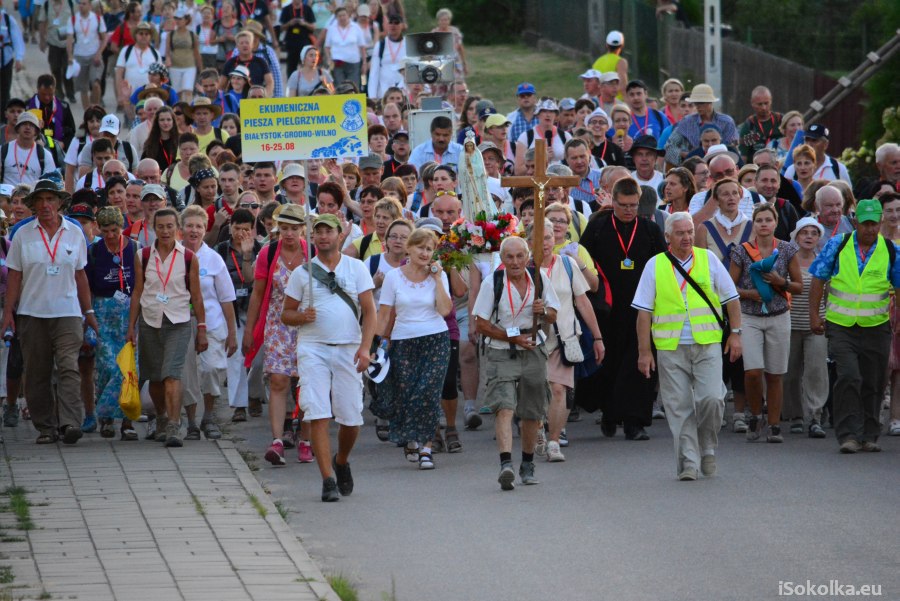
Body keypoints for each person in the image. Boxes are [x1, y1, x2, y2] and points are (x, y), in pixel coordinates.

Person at [633, 211, 742, 480]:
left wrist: (736, 333)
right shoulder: (655, 265)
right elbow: (644, 313)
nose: (687, 237)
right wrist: (644, 352)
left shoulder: (709, 260)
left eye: (690, 232)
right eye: (680, 233)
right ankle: (689, 463)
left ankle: (707, 447)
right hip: (671, 347)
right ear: (667, 237)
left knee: (712, 400)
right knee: (679, 406)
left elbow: (732, 298)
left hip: (707, 343)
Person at [282, 213, 376, 502]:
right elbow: (286, 314)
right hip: (313, 348)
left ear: (339, 235)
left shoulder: (356, 267)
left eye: (329, 231)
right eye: (318, 232)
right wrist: (301, 316)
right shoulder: (302, 273)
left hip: (348, 346)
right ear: (312, 237)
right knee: (317, 412)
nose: (323, 236)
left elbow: (370, 311)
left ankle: (342, 460)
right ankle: (327, 480)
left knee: (351, 418)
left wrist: (365, 347)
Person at [2, 178, 97, 444]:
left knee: (68, 366)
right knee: (37, 371)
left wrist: (88, 311)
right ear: (33, 205)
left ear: (59, 203)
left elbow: (80, 275)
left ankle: (70, 423)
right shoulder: (22, 234)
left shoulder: (74, 232)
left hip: (67, 312)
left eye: (50, 199)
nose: (46, 205)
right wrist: (9, 313)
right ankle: (46, 426)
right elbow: (14, 277)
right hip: (32, 312)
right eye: (40, 200)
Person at [578, 177, 667, 439]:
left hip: (641, 308)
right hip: (606, 309)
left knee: (638, 364)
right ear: (612, 201)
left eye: (633, 205)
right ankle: (609, 414)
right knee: (609, 363)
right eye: (624, 205)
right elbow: (583, 259)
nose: (629, 210)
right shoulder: (598, 226)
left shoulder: (650, 231)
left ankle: (635, 422)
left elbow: (662, 265)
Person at [809, 199, 900, 453]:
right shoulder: (838, 245)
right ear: (855, 221)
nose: (870, 229)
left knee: (875, 381)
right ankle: (848, 435)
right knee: (849, 375)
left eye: (875, 223)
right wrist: (814, 315)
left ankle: (869, 434)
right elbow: (818, 279)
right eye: (866, 223)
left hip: (877, 325)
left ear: (880, 222)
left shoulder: (890, 250)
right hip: (841, 324)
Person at [473, 235, 559, 489]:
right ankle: (506, 464)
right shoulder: (493, 282)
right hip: (503, 351)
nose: (515, 262)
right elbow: (481, 324)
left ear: (527, 257)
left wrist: (542, 311)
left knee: (532, 412)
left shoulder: (540, 279)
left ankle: (528, 463)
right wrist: (515, 337)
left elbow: (554, 314)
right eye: (509, 257)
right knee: (505, 406)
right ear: (501, 260)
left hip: (533, 349)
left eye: (520, 256)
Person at [126, 205, 207, 447]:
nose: (165, 231)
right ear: (153, 229)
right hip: (150, 320)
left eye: (170, 226)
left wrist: (201, 327)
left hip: (178, 321)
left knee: (172, 374)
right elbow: (138, 292)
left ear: (177, 229)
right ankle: (161, 416)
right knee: (155, 377)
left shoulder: (189, 258)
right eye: (160, 227)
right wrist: (132, 326)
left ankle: (174, 424)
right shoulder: (144, 256)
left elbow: (197, 295)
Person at [372, 227, 451, 469]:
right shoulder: (394, 277)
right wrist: (374, 344)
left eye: (429, 249)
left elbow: (445, 310)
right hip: (404, 341)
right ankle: (411, 440)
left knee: (428, 393)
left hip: (435, 339)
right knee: (406, 393)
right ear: (409, 247)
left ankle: (427, 448)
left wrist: (437, 280)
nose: (425, 253)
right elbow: (384, 314)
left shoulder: (439, 275)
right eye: (420, 247)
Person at [528, 219, 604, 461]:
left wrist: (598, 337)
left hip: (564, 337)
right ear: (529, 242)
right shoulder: (522, 267)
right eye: (538, 239)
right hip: (531, 340)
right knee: (535, 391)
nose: (545, 243)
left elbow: (582, 301)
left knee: (559, 389)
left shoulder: (568, 264)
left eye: (548, 238)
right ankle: (538, 429)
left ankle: (553, 441)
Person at [243, 204, 310, 464]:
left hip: (307, 325)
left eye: (294, 228)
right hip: (277, 324)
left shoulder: (312, 253)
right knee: (279, 381)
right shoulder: (268, 253)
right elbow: (258, 293)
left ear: (303, 229)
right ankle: (278, 440)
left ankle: (305, 439)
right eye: (285, 228)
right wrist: (249, 329)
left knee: (306, 385)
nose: (289, 233)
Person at [729, 202, 801, 443]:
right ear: (754, 223)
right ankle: (755, 414)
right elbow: (730, 288)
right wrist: (750, 294)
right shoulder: (741, 251)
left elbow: (798, 286)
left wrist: (781, 282)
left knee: (775, 373)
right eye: (759, 220)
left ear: (775, 223)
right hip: (749, 317)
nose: (763, 224)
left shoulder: (787, 249)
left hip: (779, 315)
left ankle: (774, 424)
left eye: (768, 220)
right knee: (752, 372)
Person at [179, 205, 236, 440]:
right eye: (190, 226)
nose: (194, 230)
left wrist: (232, 333)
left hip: (212, 324)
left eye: (199, 226)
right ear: (181, 229)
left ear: (206, 229)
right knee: (187, 374)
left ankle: (209, 416)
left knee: (212, 368)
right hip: (181, 322)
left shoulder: (213, 260)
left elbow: (226, 298)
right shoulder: (173, 255)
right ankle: (191, 421)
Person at [85, 206, 139, 440]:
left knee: (128, 369)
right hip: (102, 312)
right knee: (108, 367)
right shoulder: (94, 251)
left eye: (114, 230)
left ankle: (127, 420)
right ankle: (106, 418)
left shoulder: (135, 249)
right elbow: (85, 285)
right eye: (105, 230)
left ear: (122, 227)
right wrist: (88, 317)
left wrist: (135, 322)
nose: (110, 235)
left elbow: (140, 285)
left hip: (129, 313)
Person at [783, 216, 829, 439]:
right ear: (796, 236)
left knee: (816, 371)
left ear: (819, 238)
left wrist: (827, 317)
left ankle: (815, 416)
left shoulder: (824, 261)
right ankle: (795, 415)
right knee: (790, 373)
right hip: (789, 324)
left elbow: (830, 294)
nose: (809, 236)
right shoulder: (785, 261)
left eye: (814, 233)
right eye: (804, 232)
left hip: (816, 324)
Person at [214, 208, 261, 422]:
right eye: (237, 228)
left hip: (255, 310)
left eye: (246, 229)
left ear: (253, 230)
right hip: (231, 309)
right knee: (235, 358)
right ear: (230, 228)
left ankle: (254, 394)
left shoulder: (260, 249)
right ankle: (239, 405)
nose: (241, 233)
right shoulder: (221, 250)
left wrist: (248, 255)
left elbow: (254, 280)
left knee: (259, 359)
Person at [665, 84, 738, 167]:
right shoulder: (687, 122)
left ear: (710, 102)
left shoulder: (726, 122)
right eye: (696, 103)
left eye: (701, 103)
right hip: (693, 167)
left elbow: (733, 146)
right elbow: (670, 146)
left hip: (721, 165)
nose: (698, 106)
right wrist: (687, 155)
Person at [114, 22, 160, 123]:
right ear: (136, 35)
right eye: (141, 33)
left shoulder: (155, 53)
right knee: (131, 126)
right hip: (130, 98)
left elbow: (160, 77)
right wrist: (120, 94)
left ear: (150, 36)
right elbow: (119, 73)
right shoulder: (126, 51)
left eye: (147, 34)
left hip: (149, 97)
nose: (144, 36)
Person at [68, 0, 107, 109]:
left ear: (90, 6)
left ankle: (96, 107)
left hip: (94, 55)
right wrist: (70, 56)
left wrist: (99, 53)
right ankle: (87, 115)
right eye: (80, 3)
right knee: (83, 88)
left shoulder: (97, 19)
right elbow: (69, 39)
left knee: (96, 83)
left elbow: (104, 38)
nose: (81, 6)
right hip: (79, 55)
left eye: (84, 3)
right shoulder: (73, 19)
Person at [783, 124, 852, 186]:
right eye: (807, 140)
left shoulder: (838, 168)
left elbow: (848, 196)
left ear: (825, 145)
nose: (809, 144)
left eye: (814, 140)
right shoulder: (792, 170)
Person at [1, 112, 56, 186]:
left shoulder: (45, 155)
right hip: (7, 196)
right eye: (24, 124)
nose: (28, 127)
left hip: (32, 197)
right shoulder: (3, 150)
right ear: (18, 128)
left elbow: (51, 184)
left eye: (31, 125)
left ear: (36, 131)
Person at [514, 99, 567, 174]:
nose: (548, 115)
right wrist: (542, 160)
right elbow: (518, 171)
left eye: (551, 111)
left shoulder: (565, 136)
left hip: (560, 182)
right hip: (534, 182)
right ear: (537, 114)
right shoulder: (526, 137)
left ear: (556, 116)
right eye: (544, 111)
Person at [323, 6, 367, 89]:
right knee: (340, 86)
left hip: (353, 62)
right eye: (340, 16)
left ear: (348, 15)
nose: (342, 18)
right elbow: (327, 47)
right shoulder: (332, 29)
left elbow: (362, 47)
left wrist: (364, 62)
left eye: (344, 15)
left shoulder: (356, 27)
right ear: (336, 17)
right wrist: (329, 59)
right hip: (337, 62)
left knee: (353, 86)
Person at [164, 7, 201, 103]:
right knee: (177, 93)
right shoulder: (171, 34)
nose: (178, 21)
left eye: (180, 18)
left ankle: (188, 111)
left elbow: (196, 52)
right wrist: (167, 59)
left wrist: (201, 68)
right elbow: (167, 51)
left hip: (190, 66)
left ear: (186, 20)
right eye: (176, 18)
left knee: (188, 91)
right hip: (175, 66)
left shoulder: (192, 35)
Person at [755, 164, 799, 241]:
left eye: (773, 181)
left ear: (779, 185)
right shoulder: (747, 205)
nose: (769, 185)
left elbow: (795, 241)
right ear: (755, 183)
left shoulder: (786, 208)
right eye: (764, 180)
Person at [367, 15, 405, 100]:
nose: (393, 25)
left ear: (402, 25)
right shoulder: (381, 45)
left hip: (403, 91)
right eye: (390, 23)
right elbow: (374, 72)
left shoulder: (407, 44)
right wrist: (372, 96)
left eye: (396, 23)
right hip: (383, 92)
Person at [278, 0, 316, 77]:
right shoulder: (286, 9)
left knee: (306, 64)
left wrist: (304, 23)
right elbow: (281, 28)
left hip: (304, 41)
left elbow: (313, 27)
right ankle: (291, 84)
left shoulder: (307, 9)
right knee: (291, 65)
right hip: (291, 42)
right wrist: (289, 23)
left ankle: (307, 81)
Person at [0, 7, 25, 114]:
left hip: (6, 60)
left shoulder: (8, 20)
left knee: (5, 91)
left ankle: (3, 119)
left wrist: (19, 58)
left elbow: (17, 39)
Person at [591, 30, 628, 98]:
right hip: (615, 102)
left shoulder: (597, 62)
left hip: (600, 100)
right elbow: (623, 86)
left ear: (607, 45)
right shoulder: (621, 62)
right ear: (622, 45)